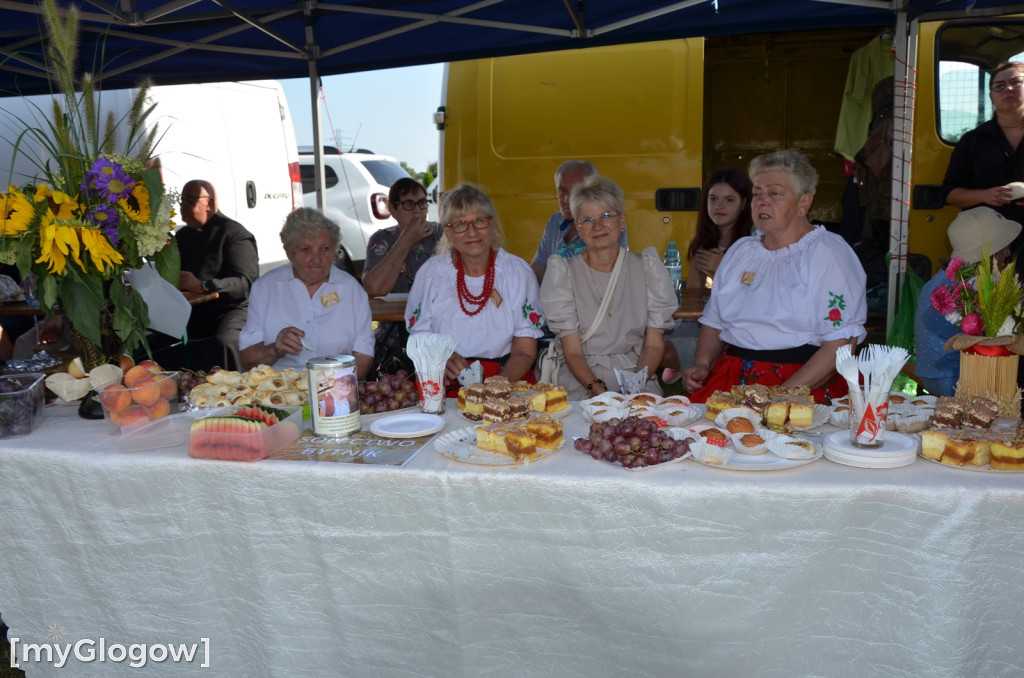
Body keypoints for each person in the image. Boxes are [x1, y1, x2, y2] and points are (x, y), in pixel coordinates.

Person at [682, 150, 867, 403]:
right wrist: (702, 364)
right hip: (731, 378)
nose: (762, 201)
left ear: (804, 203)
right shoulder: (741, 251)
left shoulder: (828, 253)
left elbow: (840, 345)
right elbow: (715, 321)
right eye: (757, 193)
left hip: (801, 383)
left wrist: (780, 397)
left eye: (775, 193)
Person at [541, 176, 677, 399]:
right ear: (577, 227)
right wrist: (597, 390)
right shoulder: (563, 272)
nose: (598, 226)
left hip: (638, 375)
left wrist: (634, 388)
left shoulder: (647, 268)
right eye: (587, 219)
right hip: (581, 380)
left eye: (606, 216)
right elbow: (573, 352)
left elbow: (653, 345)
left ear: (622, 220)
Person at [405, 183, 544, 395]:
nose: (471, 232)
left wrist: (494, 389)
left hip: (508, 379)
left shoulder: (517, 273)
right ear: (448, 233)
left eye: (479, 221)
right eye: (460, 224)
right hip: (446, 383)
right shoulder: (432, 274)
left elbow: (525, 352)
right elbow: (418, 338)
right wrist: (440, 355)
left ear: (492, 224)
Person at [239, 208, 374, 378]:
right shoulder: (265, 288)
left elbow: (363, 355)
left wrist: (338, 389)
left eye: (325, 249)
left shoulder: (352, 290)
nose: (316, 259)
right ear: (289, 252)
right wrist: (275, 349)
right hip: (278, 394)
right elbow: (247, 360)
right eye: (305, 250)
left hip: (335, 390)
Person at [915, 207, 1020, 396]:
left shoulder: (941, 278)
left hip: (930, 373)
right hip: (956, 380)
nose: (1007, 253)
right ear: (987, 254)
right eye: (1002, 247)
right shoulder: (974, 286)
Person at [361, 178, 443, 375]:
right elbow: (374, 288)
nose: (417, 210)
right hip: (392, 339)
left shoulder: (442, 235)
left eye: (422, 203)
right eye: (408, 204)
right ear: (393, 209)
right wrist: (406, 239)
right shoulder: (382, 239)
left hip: (437, 333)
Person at [174, 179, 259, 371]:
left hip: (231, 309)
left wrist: (203, 285)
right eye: (181, 200)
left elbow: (245, 283)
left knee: (225, 341)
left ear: (209, 203)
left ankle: (237, 392)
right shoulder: (182, 237)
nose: (182, 206)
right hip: (193, 308)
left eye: (189, 200)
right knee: (158, 338)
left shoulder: (234, 233)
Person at [942, 61, 1024, 258]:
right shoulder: (973, 140)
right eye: (1000, 86)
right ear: (991, 95)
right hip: (990, 247)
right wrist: (985, 195)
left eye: (1016, 82)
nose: (1008, 89)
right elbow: (950, 193)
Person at [530, 160, 627, 282]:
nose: (566, 199)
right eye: (562, 191)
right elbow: (538, 269)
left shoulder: (609, 223)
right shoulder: (556, 220)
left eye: (574, 191)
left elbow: (609, 275)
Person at [685, 168, 754, 289]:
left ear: (743, 203)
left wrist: (723, 267)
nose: (719, 205)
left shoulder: (755, 243)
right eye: (713, 199)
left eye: (729, 200)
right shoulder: (703, 242)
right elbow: (694, 295)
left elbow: (755, 284)